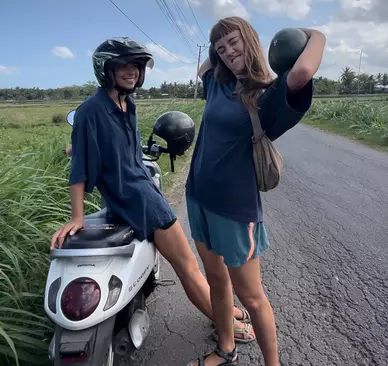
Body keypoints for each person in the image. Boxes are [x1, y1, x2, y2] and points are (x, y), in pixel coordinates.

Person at [50, 37, 255, 344]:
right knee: (187, 266)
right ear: (106, 69)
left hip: (139, 192)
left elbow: (115, 146)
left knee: (189, 263)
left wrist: (73, 145)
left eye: (137, 65)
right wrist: (76, 217)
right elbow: (79, 169)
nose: (132, 71)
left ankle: (225, 311)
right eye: (124, 65)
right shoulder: (92, 110)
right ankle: (225, 322)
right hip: (140, 201)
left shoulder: (125, 104)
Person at [185, 17, 326, 366]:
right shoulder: (217, 83)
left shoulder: (270, 94)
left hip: (234, 210)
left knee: (252, 297)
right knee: (217, 281)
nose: (228, 52)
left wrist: (314, 34)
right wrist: (217, 41)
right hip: (197, 196)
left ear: (250, 39)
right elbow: (207, 63)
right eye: (221, 48)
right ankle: (227, 348)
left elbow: (304, 71)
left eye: (234, 42)